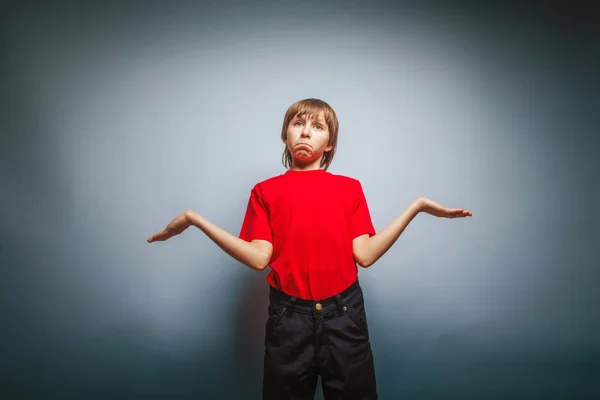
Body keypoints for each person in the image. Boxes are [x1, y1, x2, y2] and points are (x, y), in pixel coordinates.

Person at [147, 98, 472, 399]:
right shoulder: (265, 192)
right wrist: (196, 220)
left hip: (344, 316)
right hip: (289, 319)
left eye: (317, 127)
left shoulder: (349, 188)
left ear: (329, 143)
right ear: (285, 134)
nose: (305, 132)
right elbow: (260, 258)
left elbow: (365, 255)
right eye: (298, 124)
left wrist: (415, 207)